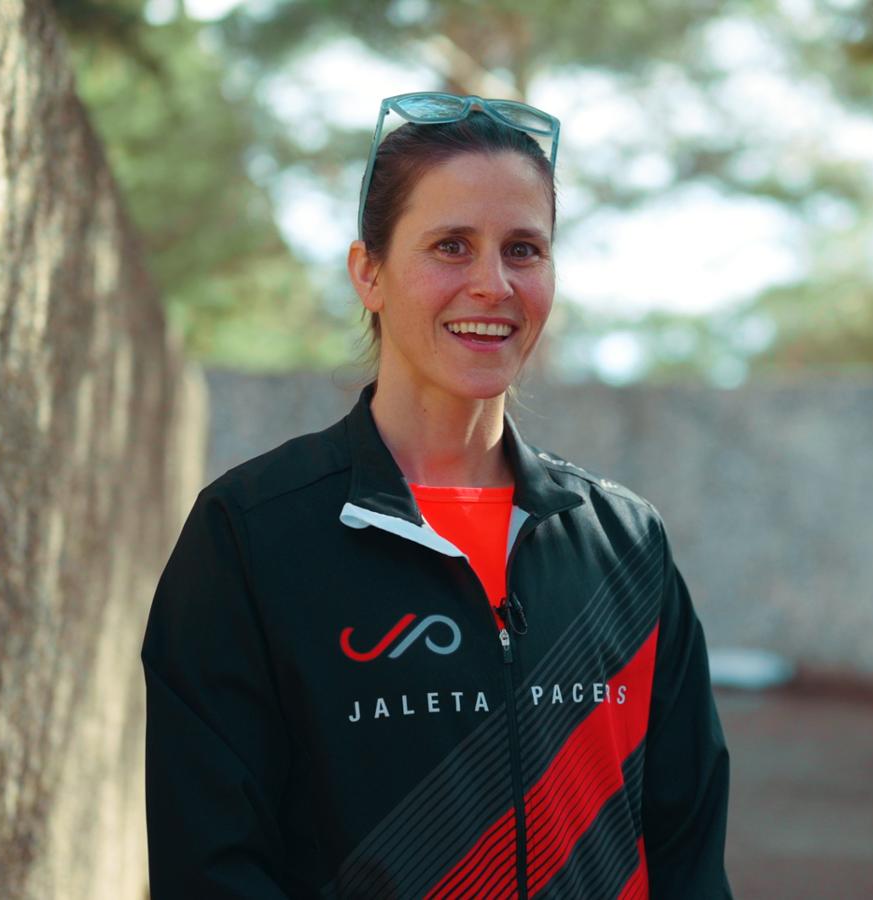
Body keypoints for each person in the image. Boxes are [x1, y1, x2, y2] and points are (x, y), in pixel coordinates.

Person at [140, 92, 733, 899]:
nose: (492, 284)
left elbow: (689, 851)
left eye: (523, 249)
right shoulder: (251, 538)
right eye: (451, 246)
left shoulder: (627, 546)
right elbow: (211, 867)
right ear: (369, 274)